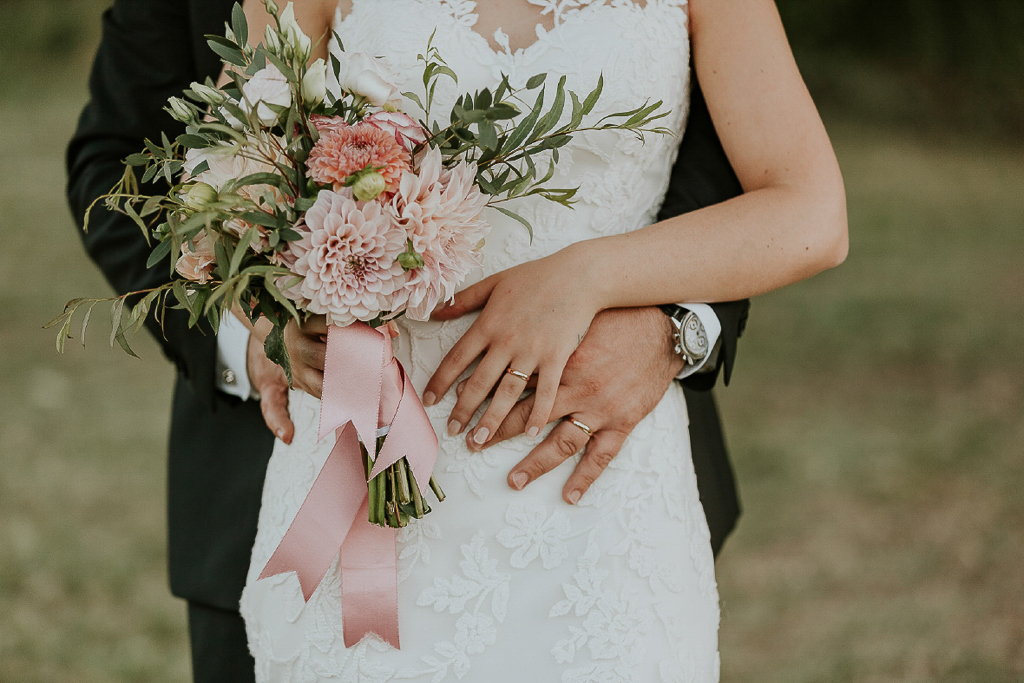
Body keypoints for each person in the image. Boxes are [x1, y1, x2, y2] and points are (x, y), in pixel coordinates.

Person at [61, 1, 784, 682]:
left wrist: (633, 300)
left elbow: (770, 180)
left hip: (594, 495)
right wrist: (260, 309)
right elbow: (199, 171)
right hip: (342, 453)